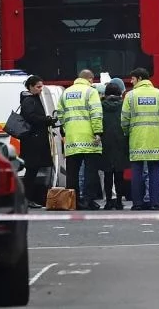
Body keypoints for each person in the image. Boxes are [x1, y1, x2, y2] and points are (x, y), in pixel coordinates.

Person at [121, 67, 159, 210]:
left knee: (136, 172)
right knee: (154, 172)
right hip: (155, 139)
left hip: (137, 139)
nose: (131, 81)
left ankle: (137, 204)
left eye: (133, 79)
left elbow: (124, 119)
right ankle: (155, 203)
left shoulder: (130, 96)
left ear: (140, 79)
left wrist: (127, 132)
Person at [57, 69, 103, 210]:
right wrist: (98, 132)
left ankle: (73, 201)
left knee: (72, 172)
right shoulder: (91, 91)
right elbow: (96, 113)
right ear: (90, 79)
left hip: (72, 138)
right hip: (88, 136)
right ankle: (89, 200)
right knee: (90, 171)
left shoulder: (66, 92)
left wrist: (66, 128)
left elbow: (60, 113)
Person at [19, 75, 56, 209]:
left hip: (35, 140)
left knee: (33, 171)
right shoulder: (29, 100)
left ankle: (29, 198)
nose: (41, 89)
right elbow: (30, 117)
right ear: (30, 87)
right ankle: (27, 198)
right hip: (33, 142)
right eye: (38, 87)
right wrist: (46, 120)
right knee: (31, 172)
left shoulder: (32, 98)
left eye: (42, 86)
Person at [100, 82, 128, 210]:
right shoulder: (123, 105)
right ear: (119, 93)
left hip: (105, 141)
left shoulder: (101, 105)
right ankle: (119, 201)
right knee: (119, 174)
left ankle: (108, 201)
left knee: (107, 173)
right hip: (120, 141)